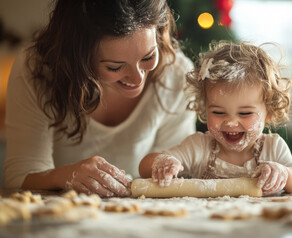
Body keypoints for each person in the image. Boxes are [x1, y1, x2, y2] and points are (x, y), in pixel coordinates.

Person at [4, 0, 196, 197]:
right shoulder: (37, 70)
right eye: (115, 67)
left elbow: (175, 177)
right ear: (78, 57)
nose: (138, 78)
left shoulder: (176, 74)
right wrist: (66, 175)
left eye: (148, 57)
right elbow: (20, 176)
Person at [139, 41, 292, 196]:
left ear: (269, 112)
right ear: (205, 109)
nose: (230, 122)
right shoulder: (199, 147)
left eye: (245, 113)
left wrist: (284, 174)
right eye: (218, 113)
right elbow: (144, 166)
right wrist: (163, 164)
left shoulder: (272, 148)